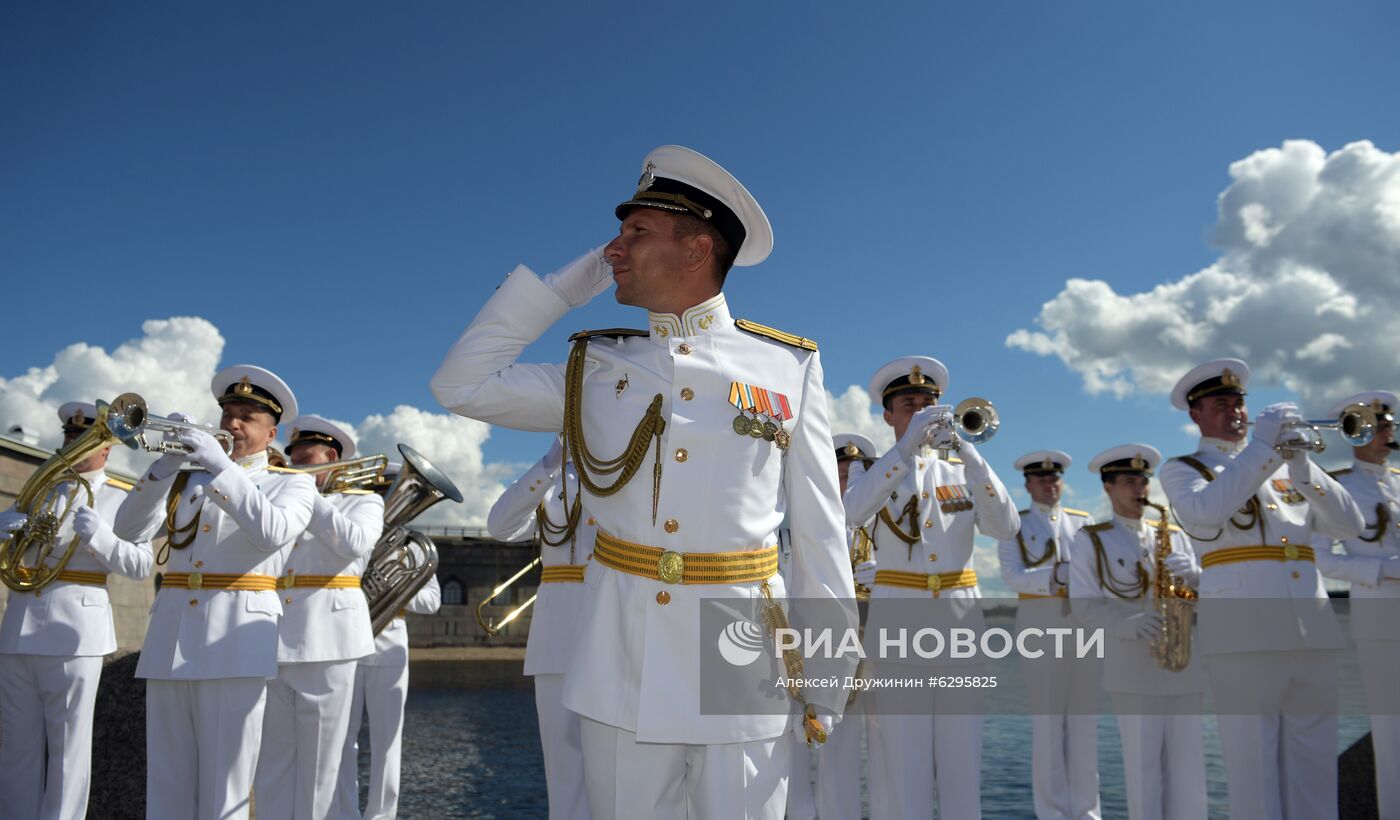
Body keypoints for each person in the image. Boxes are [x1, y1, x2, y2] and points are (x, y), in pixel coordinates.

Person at [430, 145, 855, 819]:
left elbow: (819, 531)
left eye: (637, 233)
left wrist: (829, 677)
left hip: (740, 650)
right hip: (620, 650)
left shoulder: (786, 367)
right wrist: (572, 285)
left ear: (697, 249)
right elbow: (461, 383)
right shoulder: (596, 366)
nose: (615, 248)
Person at [1159, 358, 1363, 819]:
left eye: (1238, 403)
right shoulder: (1184, 468)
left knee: (1315, 772)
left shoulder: (1283, 466)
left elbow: (1351, 526)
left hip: (1310, 631)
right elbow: (1205, 513)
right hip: (1243, 638)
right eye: (1220, 404)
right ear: (1196, 415)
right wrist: (1265, 450)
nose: (1234, 412)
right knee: (1254, 776)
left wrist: (1303, 464)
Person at [114, 365, 316, 820]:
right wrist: (164, 466)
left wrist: (220, 466)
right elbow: (127, 531)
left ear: (271, 433)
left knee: (226, 792)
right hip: (170, 640)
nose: (232, 424)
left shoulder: (292, 484)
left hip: (236, 645)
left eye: (247, 416)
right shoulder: (187, 481)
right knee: (166, 786)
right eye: (227, 413)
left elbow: (271, 531)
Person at [842, 356, 1020, 819]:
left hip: (962, 635)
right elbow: (851, 513)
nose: (921, 411)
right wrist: (904, 451)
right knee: (907, 775)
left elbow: (1005, 527)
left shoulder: (962, 472)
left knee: (963, 776)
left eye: (929, 404)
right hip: (899, 638)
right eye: (909, 405)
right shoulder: (874, 472)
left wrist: (971, 453)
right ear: (889, 415)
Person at [0, 401, 155, 820]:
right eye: (70, 436)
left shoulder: (119, 498)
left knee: (69, 747)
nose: (74, 443)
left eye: (86, 438)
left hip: (75, 631)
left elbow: (141, 564)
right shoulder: (39, 492)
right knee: (15, 746)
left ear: (107, 449)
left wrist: (102, 539)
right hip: (19, 626)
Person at [255, 415, 383, 819]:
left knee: (323, 767)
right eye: (291, 460)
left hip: (330, 638)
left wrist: (307, 496)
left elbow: (353, 542)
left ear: (331, 458)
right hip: (273, 637)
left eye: (305, 459)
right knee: (272, 763)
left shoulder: (364, 501)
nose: (295, 467)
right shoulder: (283, 501)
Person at [1068, 445, 1206, 820]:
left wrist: (1195, 579)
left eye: (1144, 481)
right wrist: (1125, 625)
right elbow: (1083, 605)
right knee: (1143, 770)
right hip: (1131, 667)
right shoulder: (1093, 540)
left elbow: (1199, 600)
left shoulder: (1176, 535)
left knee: (1190, 770)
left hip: (1183, 663)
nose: (1141, 489)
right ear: (1108, 488)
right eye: (1130, 481)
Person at [486, 436, 594, 820]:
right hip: (556, 638)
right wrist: (546, 466)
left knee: (623, 769)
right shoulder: (553, 485)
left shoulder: (632, 473)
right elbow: (500, 526)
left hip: (614, 630)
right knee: (563, 771)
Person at [335, 458, 442, 820]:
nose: (385, 498)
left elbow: (432, 601)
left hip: (389, 640)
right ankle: (343, 814)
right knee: (341, 739)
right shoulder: (350, 535)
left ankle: (381, 816)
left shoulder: (410, 545)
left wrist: (392, 580)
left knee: (387, 742)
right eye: (381, 490)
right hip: (345, 641)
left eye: (392, 491)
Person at [997, 450, 1100, 820]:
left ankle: (1088, 812)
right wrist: (1055, 578)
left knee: (1085, 726)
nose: (1049, 484)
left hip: (1085, 632)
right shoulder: (1015, 525)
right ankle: (1053, 812)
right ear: (1027, 485)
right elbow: (1012, 576)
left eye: (1054, 478)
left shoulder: (1084, 522)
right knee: (1049, 726)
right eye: (1040, 479)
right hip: (1041, 631)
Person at [1312, 390, 1400, 819]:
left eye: (1389, 424)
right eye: (1378, 426)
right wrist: (1384, 571)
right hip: (1381, 620)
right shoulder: (1339, 487)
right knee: (1391, 734)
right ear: (1356, 433)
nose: (1388, 432)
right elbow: (1320, 557)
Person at [814, 433, 883, 820]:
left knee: (889, 746)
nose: (847, 484)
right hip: (832, 644)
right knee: (835, 745)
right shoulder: (814, 524)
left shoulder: (889, 522)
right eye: (840, 475)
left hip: (883, 641)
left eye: (855, 477)